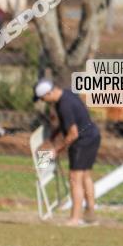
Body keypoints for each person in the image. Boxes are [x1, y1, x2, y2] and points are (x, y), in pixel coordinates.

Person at [35, 78, 101, 226]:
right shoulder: (67, 95)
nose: (44, 101)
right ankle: (90, 214)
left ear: (48, 93)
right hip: (93, 135)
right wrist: (52, 137)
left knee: (74, 178)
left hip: (82, 141)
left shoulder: (64, 105)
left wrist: (56, 150)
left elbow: (73, 134)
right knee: (85, 176)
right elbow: (67, 124)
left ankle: (75, 218)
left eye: (43, 98)